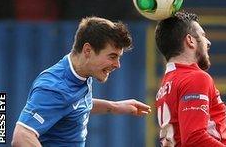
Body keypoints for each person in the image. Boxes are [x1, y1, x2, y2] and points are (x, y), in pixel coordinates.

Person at [11, 16, 151, 146]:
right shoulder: (54, 88)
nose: (117, 64)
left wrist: (114, 106)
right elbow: (21, 136)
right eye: (112, 56)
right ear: (88, 50)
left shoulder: (81, 71)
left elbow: (73, 105)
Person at [154, 11, 226, 147]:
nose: (208, 42)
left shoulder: (166, 85)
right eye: (203, 36)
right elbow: (194, 138)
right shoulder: (194, 78)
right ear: (190, 40)